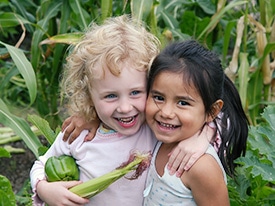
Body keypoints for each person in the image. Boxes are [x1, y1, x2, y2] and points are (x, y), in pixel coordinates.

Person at [30, 16, 213, 206]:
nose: (125, 108)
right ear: (89, 97)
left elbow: (219, 116)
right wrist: (44, 189)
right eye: (110, 96)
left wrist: (203, 135)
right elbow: (41, 165)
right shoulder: (80, 135)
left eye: (136, 92)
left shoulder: (156, 128)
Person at [143, 40, 248, 205]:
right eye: (158, 97)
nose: (166, 112)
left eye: (183, 103)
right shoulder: (156, 138)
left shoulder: (201, 167)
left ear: (212, 111)